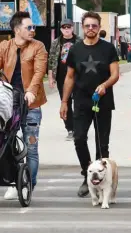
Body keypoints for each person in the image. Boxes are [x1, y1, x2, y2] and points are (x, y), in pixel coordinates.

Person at [59, 11, 119, 197]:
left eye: (94, 25)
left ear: (99, 27)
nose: (91, 29)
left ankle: (103, 179)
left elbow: (115, 74)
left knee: (102, 144)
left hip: (103, 100)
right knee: (79, 138)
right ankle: (87, 175)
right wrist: (64, 102)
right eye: (87, 26)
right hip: (82, 100)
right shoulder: (75, 50)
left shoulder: (108, 49)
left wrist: (105, 85)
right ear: (82, 27)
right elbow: (69, 77)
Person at [0, 11, 48, 199]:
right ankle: (14, 178)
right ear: (17, 29)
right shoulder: (5, 46)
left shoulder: (38, 47)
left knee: (31, 146)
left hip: (32, 104)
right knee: (9, 142)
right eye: (29, 27)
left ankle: (29, 184)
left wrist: (31, 91)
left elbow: (39, 71)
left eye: (33, 27)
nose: (33, 30)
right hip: (9, 102)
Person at [48, 18, 81, 140]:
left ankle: (79, 128)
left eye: (69, 27)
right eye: (64, 27)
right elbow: (51, 60)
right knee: (65, 102)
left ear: (73, 28)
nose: (66, 29)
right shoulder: (56, 42)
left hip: (77, 76)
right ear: (61, 29)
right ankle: (70, 129)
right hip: (62, 77)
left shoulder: (79, 41)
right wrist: (51, 77)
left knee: (79, 103)